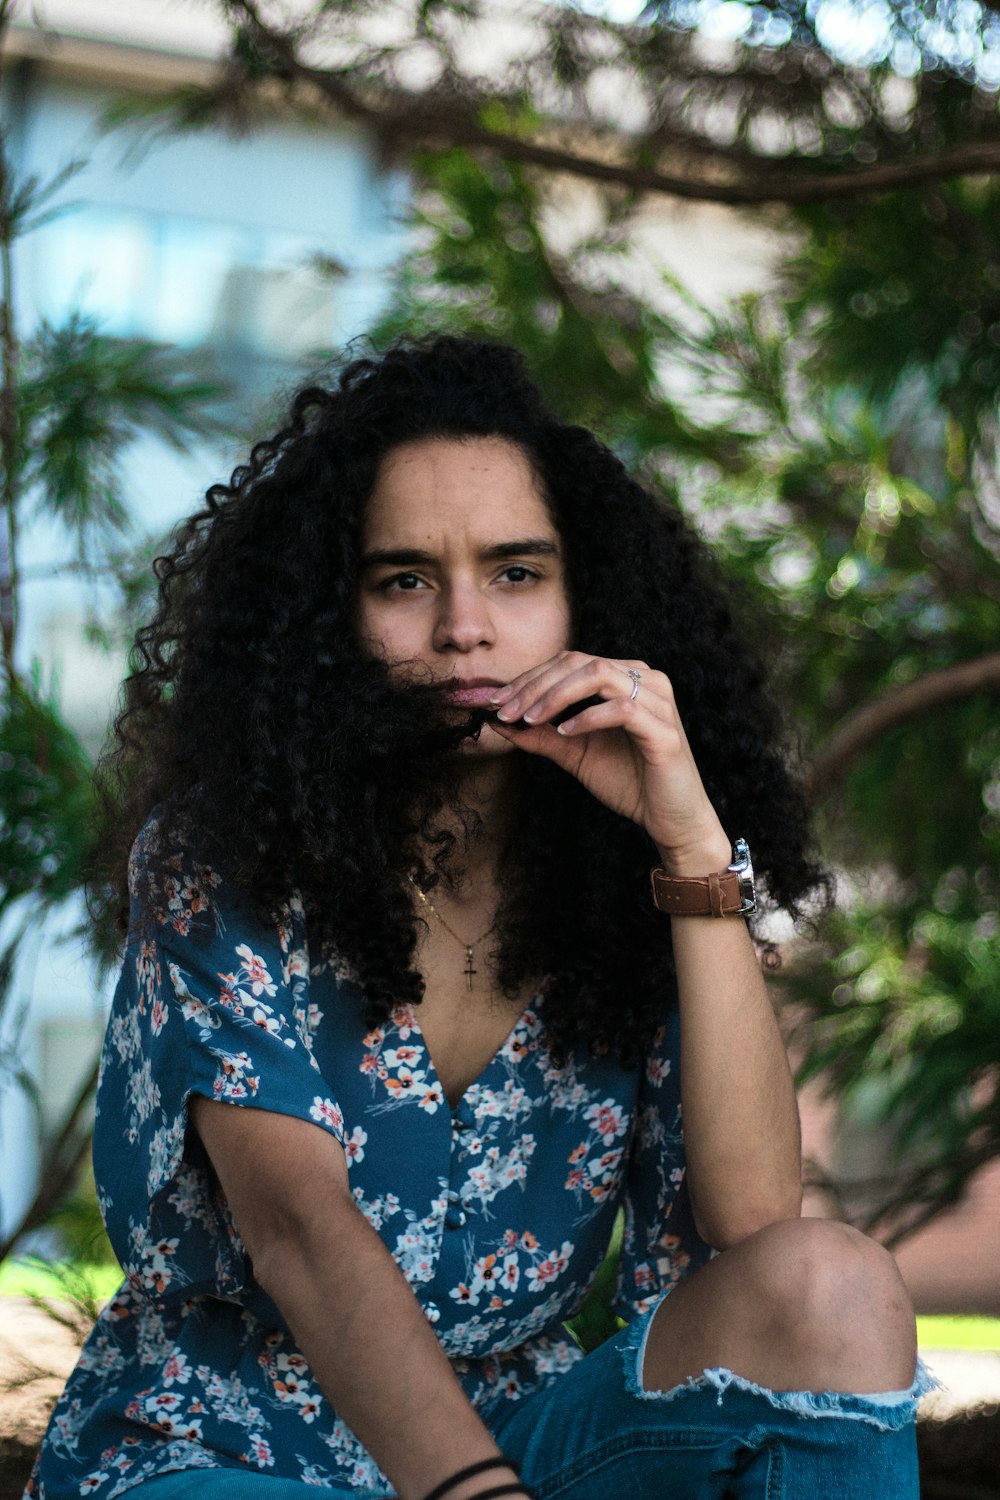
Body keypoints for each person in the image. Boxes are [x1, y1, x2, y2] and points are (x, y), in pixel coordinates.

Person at [26, 334, 929, 1500]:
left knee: (833, 1287)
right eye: (405, 580)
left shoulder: (626, 869)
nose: (464, 627)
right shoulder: (226, 859)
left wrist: (690, 850)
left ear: (583, 594)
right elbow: (297, 1226)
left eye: (515, 573)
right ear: (327, 616)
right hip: (226, 1450)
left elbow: (754, 1223)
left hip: (530, 1438)